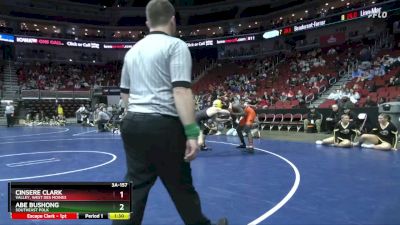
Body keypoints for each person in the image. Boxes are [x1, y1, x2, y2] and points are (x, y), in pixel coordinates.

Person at [116, 1, 227, 224]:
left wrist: (138, 118)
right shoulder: (176, 46)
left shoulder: (132, 52)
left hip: (133, 123)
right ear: (173, 19)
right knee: (181, 187)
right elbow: (181, 90)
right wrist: (192, 133)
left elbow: (125, 94)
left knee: (133, 188)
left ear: (148, 22)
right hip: (163, 125)